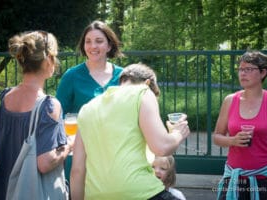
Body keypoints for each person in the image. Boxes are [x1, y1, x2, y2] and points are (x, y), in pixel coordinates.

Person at [70, 63, 190, 200]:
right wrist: (178, 133)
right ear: (147, 83)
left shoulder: (87, 109)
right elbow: (162, 147)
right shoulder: (143, 91)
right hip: (140, 192)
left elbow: (77, 171)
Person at [0, 31, 74, 200]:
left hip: (7, 191)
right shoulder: (49, 106)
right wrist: (68, 145)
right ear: (48, 60)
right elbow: (44, 163)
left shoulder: (6, 98)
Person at [213, 51, 267, 199]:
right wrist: (232, 140)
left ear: (263, 73)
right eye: (240, 69)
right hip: (234, 178)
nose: (243, 73)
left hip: (266, 179)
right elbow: (216, 137)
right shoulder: (230, 100)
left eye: (249, 69)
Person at [56, 20, 124, 114]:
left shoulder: (123, 76)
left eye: (99, 41)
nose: (93, 46)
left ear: (109, 46)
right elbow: (58, 115)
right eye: (88, 41)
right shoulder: (71, 76)